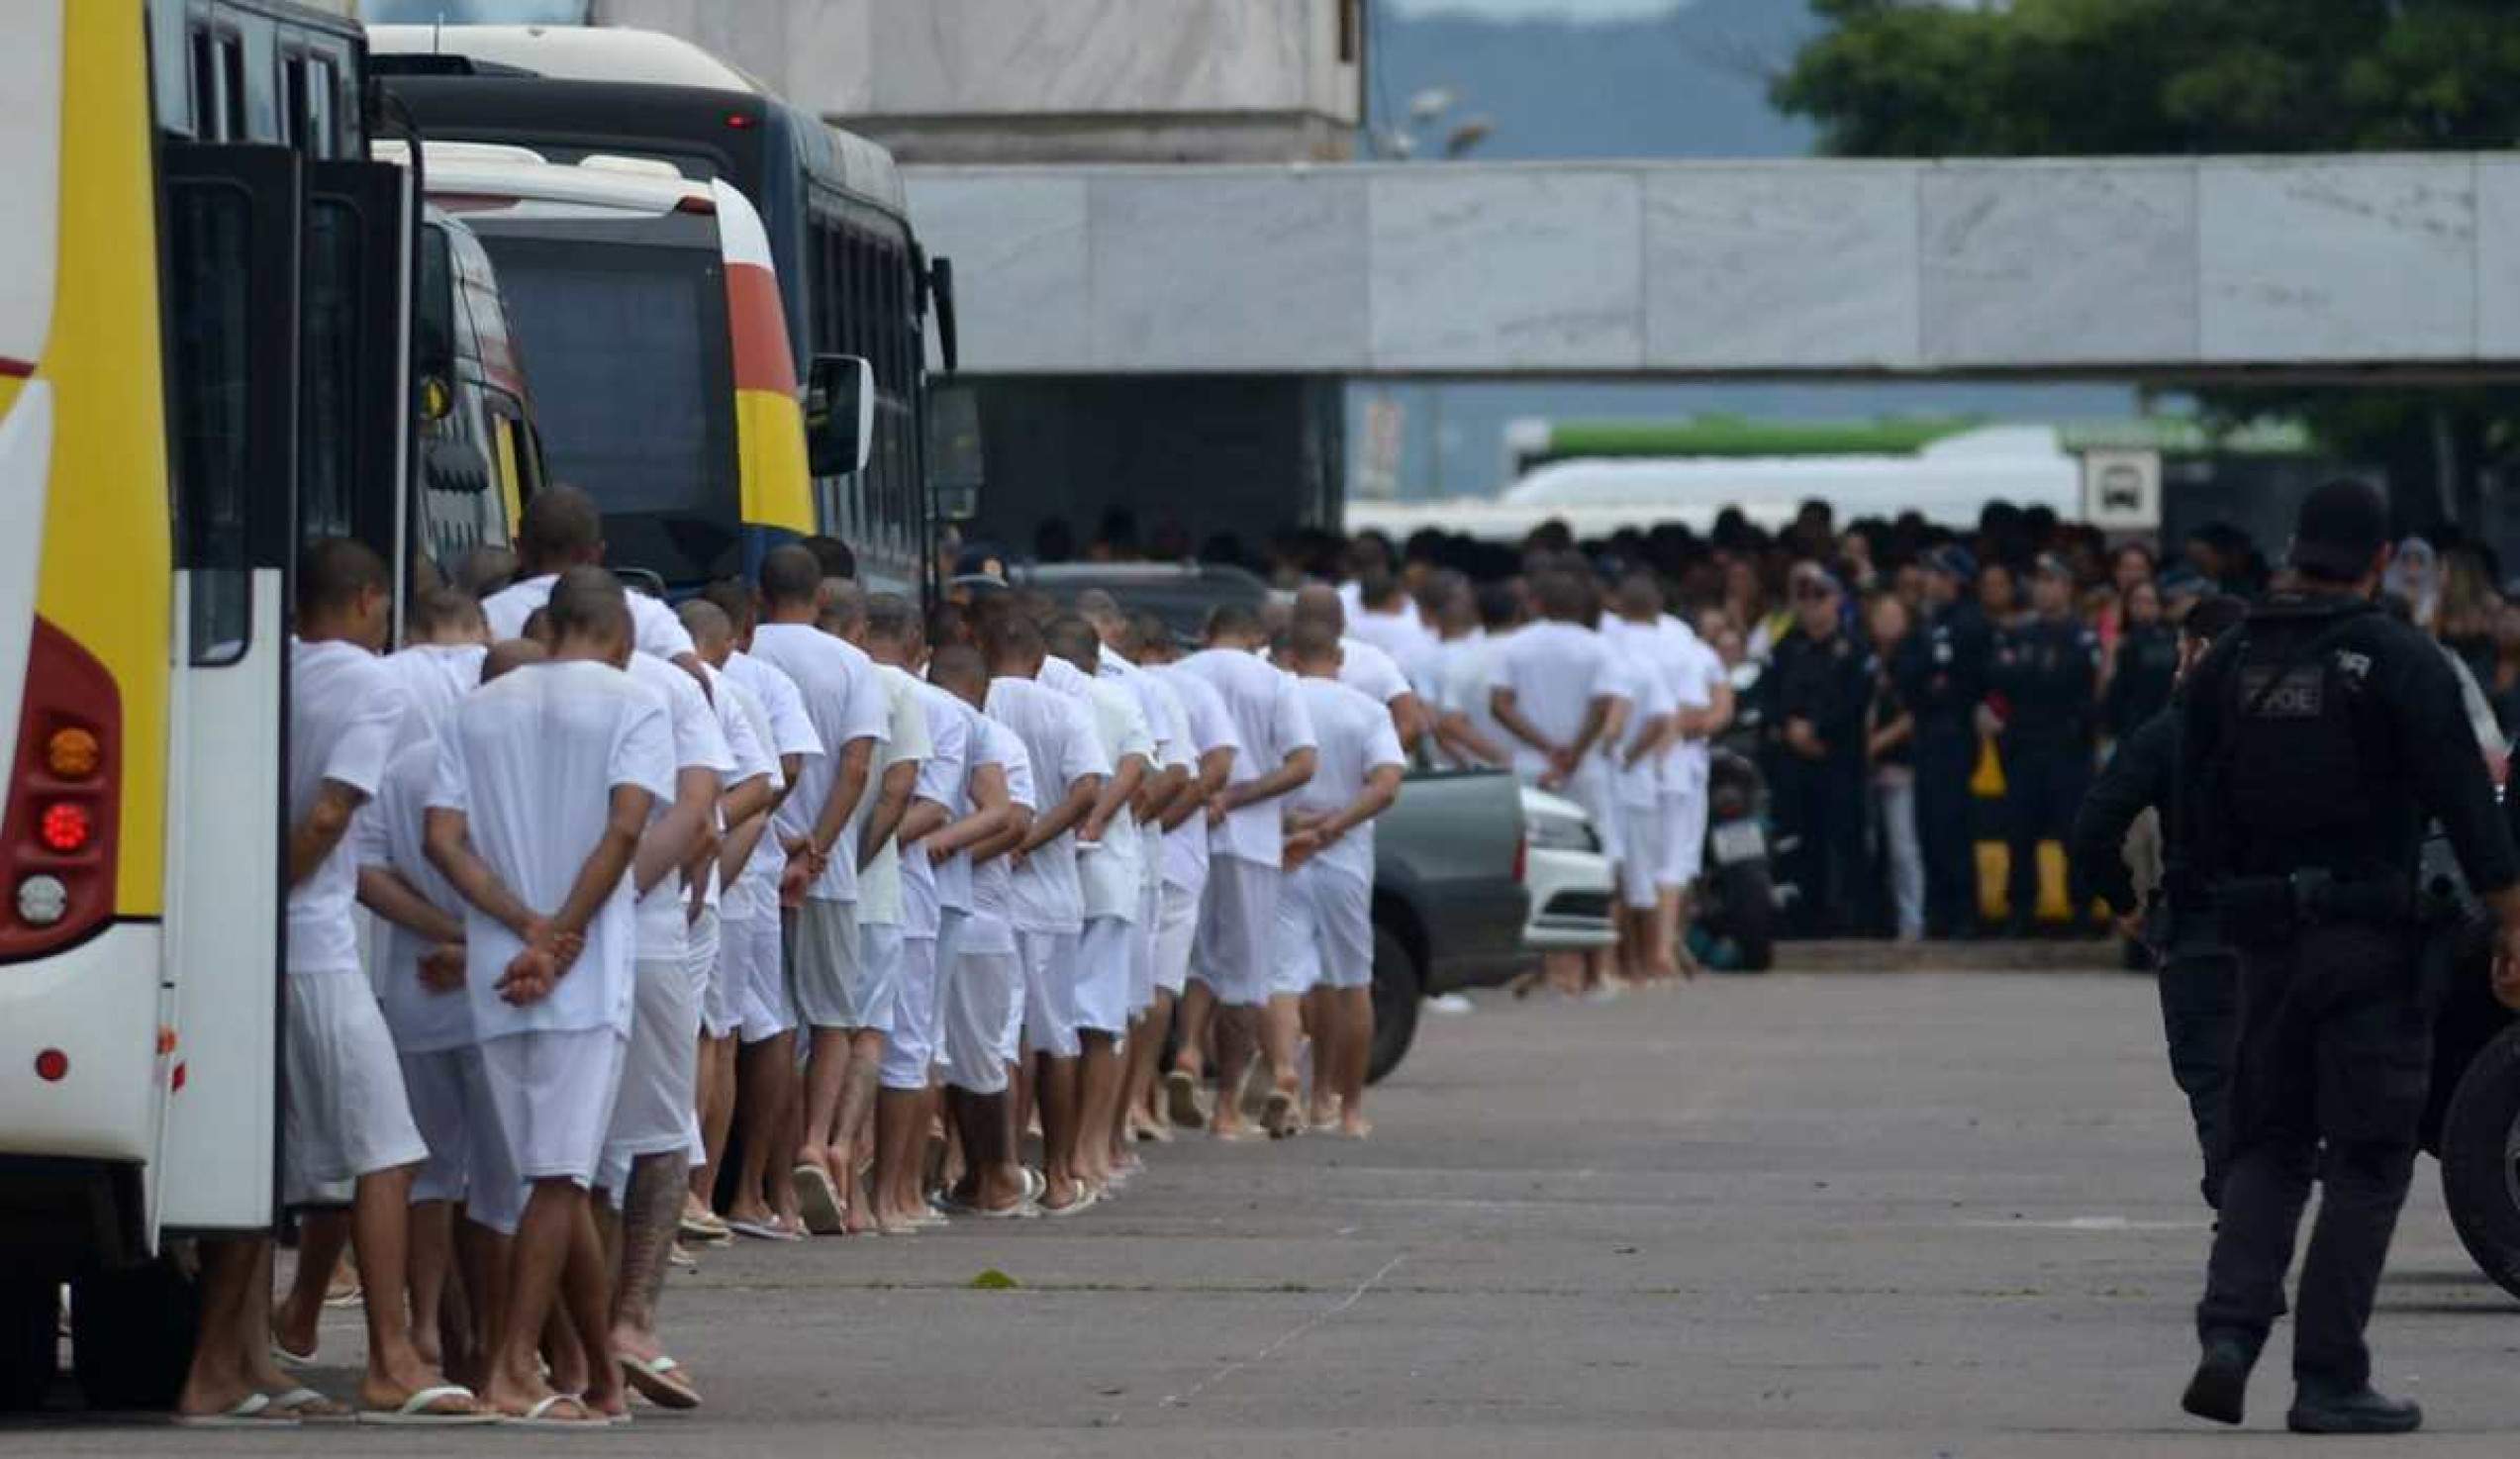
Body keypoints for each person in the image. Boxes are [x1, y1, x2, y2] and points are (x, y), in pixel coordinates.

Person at [2176, 481, 2520, 1435]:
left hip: (2263, 946)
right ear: (2376, 563)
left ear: (2295, 550)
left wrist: (2235, 904)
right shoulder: (2402, 661)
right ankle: (2328, 1375)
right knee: (2367, 1160)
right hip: (2373, 941)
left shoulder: (2227, 661)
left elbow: (2191, 814)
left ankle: (2231, 1336)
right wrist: (2511, 929)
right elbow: (2469, 806)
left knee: (2267, 1146)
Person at [181, 539, 483, 1426]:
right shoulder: (373, 684)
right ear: (365, 601)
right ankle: (391, 1358)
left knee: (255, 1164)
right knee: (388, 1151)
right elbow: (328, 811)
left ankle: (230, 1364)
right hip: (310, 943)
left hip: (247, 947)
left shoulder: (266, 665)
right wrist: (273, 895)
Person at [424, 567, 670, 1427]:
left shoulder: (477, 706)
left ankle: (599, 1374)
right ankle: (513, 1367)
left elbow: (442, 838)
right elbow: (628, 828)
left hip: (500, 972)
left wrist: (520, 923)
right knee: (561, 1176)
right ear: (621, 635)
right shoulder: (632, 702)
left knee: (543, 1174)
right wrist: (563, 935)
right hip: (584, 974)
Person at [2068, 594, 2249, 1211]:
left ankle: (2244, 1240)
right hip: (2283, 935)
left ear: (2196, 652)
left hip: (2199, 932)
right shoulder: (2292, 728)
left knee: (2216, 1094)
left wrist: (2126, 903)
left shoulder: (2169, 732)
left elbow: (2093, 828)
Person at [745, 546, 889, 1236]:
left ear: (760, 593)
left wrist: (776, 843)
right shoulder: (852, 665)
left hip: (753, 856)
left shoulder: (744, 656)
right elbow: (857, 768)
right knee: (831, 1018)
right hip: (824, 873)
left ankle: (768, 1188)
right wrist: (823, 848)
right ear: (824, 601)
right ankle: (814, 1143)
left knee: (768, 1025)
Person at [700, 580, 825, 1243]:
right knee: (749, 1028)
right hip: (740, 875)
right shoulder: (753, 685)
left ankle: (704, 1194)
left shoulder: (668, 679)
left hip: (686, 872)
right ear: (742, 634)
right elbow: (784, 772)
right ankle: (745, 1191)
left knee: (710, 1032)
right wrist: (764, 838)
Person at [1168, 604, 1318, 1138]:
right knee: (1246, 975)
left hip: (1184, 831)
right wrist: (1239, 796)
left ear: (1206, 633)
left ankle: (1186, 1051)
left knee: (1193, 960)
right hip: (1252, 840)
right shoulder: (1276, 682)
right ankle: (1228, 1106)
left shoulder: (1179, 677)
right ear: (1258, 639)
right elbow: (1303, 764)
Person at [983, 613, 1108, 1212]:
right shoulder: (1065, 709)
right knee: (1057, 1038)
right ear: (1038, 661)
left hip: (988, 890)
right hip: (1053, 896)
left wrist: (1004, 843)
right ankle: (1059, 1177)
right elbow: (1086, 791)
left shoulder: (972, 700)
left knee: (997, 1040)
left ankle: (996, 1173)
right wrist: (1032, 840)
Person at [824, 585, 931, 1234]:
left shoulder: (790, 675)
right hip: (875, 891)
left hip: (804, 884)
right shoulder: (897, 692)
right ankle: (846, 1164)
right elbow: (897, 792)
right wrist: (856, 858)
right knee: (867, 1033)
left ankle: (792, 1173)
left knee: (814, 1032)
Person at [860, 594, 966, 1233]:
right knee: (905, 1045)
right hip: (903, 889)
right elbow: (932, 808)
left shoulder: (840, 682)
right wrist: (867, 849)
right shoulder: (940, 708)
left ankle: (858, 1189)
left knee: (840, 1037)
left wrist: (834, 849)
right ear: (919, 645)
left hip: (822, 880)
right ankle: (894, 1196)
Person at [1277, 621, 1406, 1137]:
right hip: (1344, 858)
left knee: (1282, 978)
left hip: (1285, 851)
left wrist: (1296, 824)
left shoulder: (1279, 702)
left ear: (1289, 655)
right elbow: (1386, 786)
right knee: (1351, 983)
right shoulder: (1367, 710)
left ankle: (1285, 1076)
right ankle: (1345, 1107)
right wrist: (1334, 825)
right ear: (1339, 656)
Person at [1040, 616, 1152, 1193]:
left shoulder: (1032, 696)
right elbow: (1137, 768)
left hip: (1042, 871)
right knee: (1100, 1022)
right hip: (1108, 873)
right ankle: (1089, 1151)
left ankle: (1043, 1149)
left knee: (1042, 1021)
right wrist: (1101, 817)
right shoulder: (1117, 697)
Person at [929, 644, 1036, 1217]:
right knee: (979, 1056)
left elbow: (1011, 821)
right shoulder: (993, 735)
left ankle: (987, 1174)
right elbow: (1015, 822)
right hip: (978, 911)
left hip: (951, 905)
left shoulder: (944, 723)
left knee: (953, 1054)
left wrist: (942, 854)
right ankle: (989, 1175)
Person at [1132, 614, 1240, 1139]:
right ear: (1170, 648)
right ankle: (1140, 1098)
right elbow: (1214, 767)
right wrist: (1174, 816)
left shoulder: (1111, 684)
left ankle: (1128, 1105)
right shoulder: (1190, 690)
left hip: (1106, 850)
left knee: (1115, 986)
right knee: (1158, 985)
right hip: (1175, 857)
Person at [1987, 554, 2101, 937]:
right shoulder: (2019, 635)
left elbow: (2083, 689)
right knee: (2020, 833)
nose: (2044, 589)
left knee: (2073, 832)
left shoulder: (2081, 637)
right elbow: (2002, 681)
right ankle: (2021, 908)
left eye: (2052, 581)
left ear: (2067, 588)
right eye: (2039, 581)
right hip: (2024, 746)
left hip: (2066, 749)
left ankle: (2081, 909)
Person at [478, 486, 699, 674]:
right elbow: (692, 674)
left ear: (519, 549)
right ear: (597, 553)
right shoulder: (644, 613)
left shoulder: (483, 618)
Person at [1764, 563, 1870, 938]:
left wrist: (1819, 731)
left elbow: (1854, 701)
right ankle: (1801, 918)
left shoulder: (1853, 648)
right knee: (1797, 842)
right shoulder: (1787, 647)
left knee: (1843, 841)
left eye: (1819, 597)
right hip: (1794, 763)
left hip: (1837, 759)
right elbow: (1770, 695)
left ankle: (1849, 919)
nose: (1812, 606)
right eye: (1804, 598)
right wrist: (1789, 727)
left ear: (1837, 601)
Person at [1897, 546, 1991, 939]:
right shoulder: (1927, 622)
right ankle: (1939, 911)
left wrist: (1938, 681)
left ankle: (1964, 913)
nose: (1929, 581)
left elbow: (1965, 679)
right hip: (1927, 731)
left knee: (1953, 824)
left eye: (1937, 574)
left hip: (1955, 732)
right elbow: (1911, 675)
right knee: (1929, 826)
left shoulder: (1971, 622)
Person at [1865, 594, 1923, 942]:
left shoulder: (1912, 661)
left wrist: (1876, 743)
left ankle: (1911, 920)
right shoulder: (1866, 659)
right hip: (1862, 770)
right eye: (1880, 614)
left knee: (1903, 847)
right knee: (1871, 847)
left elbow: (1913, 716)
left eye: (1894, 614)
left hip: (1899, 765)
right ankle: (1876, 918)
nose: (1886, 621)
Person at [2104, 577, 2178, 744]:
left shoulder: (2173, 642)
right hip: (2128, 729)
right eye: (2136, 601)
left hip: (2161, 727)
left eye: (2148, 602)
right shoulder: (2119, 643)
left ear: (2159, 606)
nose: (2142, 608)